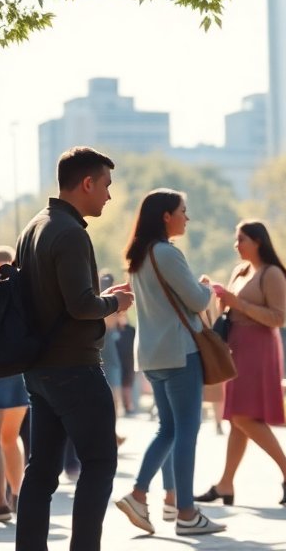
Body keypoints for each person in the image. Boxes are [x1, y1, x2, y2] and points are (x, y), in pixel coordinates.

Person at [14, 146, 134, 551]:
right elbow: (81, 305)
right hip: (75, 368)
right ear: (86, 183)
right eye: (105, 185)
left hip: (40, 368)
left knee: (41, 472)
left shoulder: (34, 226)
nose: (108, 195)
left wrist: (98, 296)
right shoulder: (69, 232)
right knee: (100, 462)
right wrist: (114, 303)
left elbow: (57, 299)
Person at [114, 190, 225, 536]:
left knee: (169, 429)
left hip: (150, 355)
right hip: (179, 353)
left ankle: (141, 495)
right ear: (165, 216)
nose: (186, 218)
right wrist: (208, 288)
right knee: (186, 432)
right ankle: (186, 512)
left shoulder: (139, 255)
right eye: (182, 211)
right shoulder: (167, 253)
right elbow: (195, 300)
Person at [196, 221, 286, 507]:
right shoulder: (241, 271)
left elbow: (278, 318)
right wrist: (217, 295)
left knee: (244, 417)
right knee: (237, 417)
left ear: (257, 241)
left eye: (241, 239)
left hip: (259, 349)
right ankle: (225, 484)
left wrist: (238, 303)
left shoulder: (272, 274)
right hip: (237, 347)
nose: (236, 244)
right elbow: (231, 309)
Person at [0, 244, 29, 523]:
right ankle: (18, 496)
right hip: (19, 372)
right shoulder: (21, 292)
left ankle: (0, 503)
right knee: (11, 436)